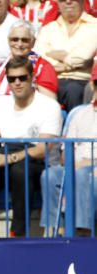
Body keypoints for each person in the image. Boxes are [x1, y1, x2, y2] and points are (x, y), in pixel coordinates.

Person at [0, 56, 61, 236]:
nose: (17, 83)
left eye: (22, 78)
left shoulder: (49, 106)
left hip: (35, 160)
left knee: (20, 170)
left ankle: (18, 233)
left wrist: (7, 158)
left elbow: (42, 149)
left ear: (33, 77)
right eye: (12, 79)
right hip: (3, 153)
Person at [41, 62, 97, 234]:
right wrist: (76, 164)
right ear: (92, 85)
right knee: (50, 175)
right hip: (77, 167)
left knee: (81, 174)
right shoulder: (79, 114)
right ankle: (56, 230)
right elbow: (66, 154)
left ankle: (82, 233)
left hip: (90, 170)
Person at [33, 0, 97, 108]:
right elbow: (38, 54)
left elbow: (82, 57)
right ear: (57, 3)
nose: (68, 1)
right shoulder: (49, 28)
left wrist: (53, 55)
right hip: (50, 80)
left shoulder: (94, 25)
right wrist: (62, 63)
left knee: (73, 90)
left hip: (80, 81)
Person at [0, 20, 59, 99]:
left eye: (25, 40)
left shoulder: (43, 67)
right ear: (8, 41)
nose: (19, 44)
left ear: (33, 42)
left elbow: (49, 102)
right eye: (15, 39)